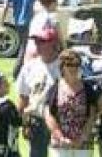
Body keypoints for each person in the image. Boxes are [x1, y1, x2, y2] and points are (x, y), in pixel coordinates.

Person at [16, 20, 62, 157]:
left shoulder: (65, 65)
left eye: (42, 41)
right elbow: (23, 97)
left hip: (59, 120)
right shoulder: (29, 67)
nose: (38, 44)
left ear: (54, 44)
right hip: (36, 120)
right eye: (36, 41)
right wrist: (22, 123)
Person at [44, 49, 100, 157]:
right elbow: (49, 115)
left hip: (83, 145)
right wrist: (60, 137)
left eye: (76, 64)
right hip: (60, 144)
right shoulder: (54, 89)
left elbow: (92, 116)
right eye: (69, 64)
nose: (73, 68)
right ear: (62, 67)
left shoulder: (88, 89)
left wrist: (82, 137)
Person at [4, 0, 39, 78]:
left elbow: (6, 6)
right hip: (29, 20)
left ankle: (24, 71)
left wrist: (1, 21)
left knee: (24, 45)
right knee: (25, 47)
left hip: (18, 21)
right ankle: (17, 72)